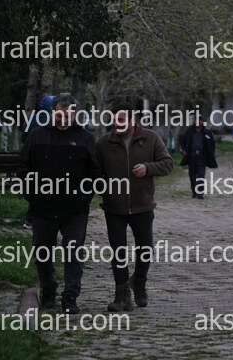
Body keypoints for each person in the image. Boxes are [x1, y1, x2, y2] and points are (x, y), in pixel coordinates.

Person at [18, 94, 99, 314]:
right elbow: (24, 167)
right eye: (59, 115)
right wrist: (31, 195)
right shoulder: (37, 135)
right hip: (42, 207)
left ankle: (70, 297)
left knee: (73, 254)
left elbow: (94, 172)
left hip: (74, 209)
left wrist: (84, 197)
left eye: (68, 115)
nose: (63, 120)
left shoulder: (84, 138)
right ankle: (48, 290)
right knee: (42, 253)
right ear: (52, 112)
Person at [97, 103, 174, 312]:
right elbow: (95, 172)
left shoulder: (150, 138)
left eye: (121, 120)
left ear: (133, 120)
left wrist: (148, 168)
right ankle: (121, 294)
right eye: (114, 120)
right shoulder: (104, 143)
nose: (116, 124)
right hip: (114, 207)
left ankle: (139, 281)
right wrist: (103, 186)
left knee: (145, 249)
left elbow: (168, 163)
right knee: (118, 251)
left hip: (142, 205)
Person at [21, 95, 55, 230]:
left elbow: (23, 138)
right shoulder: (54, 120)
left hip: (32, 158)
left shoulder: (31, 118)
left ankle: (31, 218)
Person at [180, 115, 218, 199]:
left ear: (202, 122)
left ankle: (200, 192)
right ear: (194, 121)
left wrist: (212, 154)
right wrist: (183, 150)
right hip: (191, 157)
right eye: (197, 120)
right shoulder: (189, 131)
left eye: (200, 120)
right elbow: (182, 142)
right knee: (192, 176)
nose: (198, 122)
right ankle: (194, 192)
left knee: (201, 175)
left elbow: (212, 144)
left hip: (202, 157)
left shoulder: (207, 132)